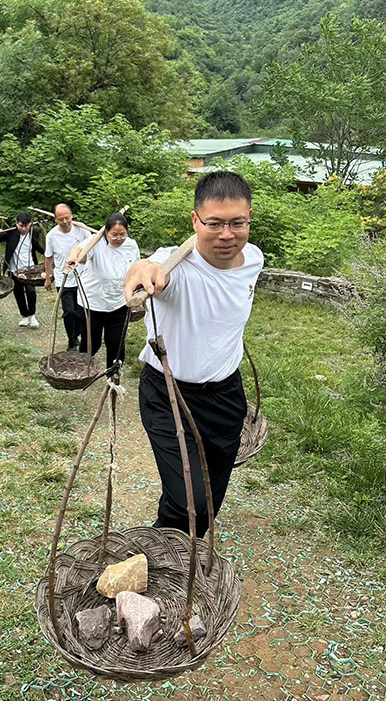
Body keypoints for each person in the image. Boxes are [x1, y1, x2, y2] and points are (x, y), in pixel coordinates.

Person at [124, 171, 263, 538]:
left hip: (227, 395)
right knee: (191, 499)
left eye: (238, 223)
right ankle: (165, 550)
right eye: (214, 223)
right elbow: (148, 267)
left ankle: (181, 551)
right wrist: (141, 274)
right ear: (195, 220)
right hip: (169, 395)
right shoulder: (175, 268)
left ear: (250, 219)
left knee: (212, 496)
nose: (227, 235)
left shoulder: (254, 259)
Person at [66, 212, 140, 369]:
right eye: (114, 235)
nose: (118, 239)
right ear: (106, 232)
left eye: (122, 234)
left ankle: (113, 375)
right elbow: (79, 252)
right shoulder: (95, 242)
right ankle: (83, 370)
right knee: (91, 343)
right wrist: (74, 257)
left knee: (116, 343)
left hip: (118, 302)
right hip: (92, 303)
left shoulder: (131, 245)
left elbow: (136, 267)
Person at [44, 203, 90, 351]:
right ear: (55, 220)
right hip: (63, 278)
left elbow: (92, 248)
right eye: (61, 219)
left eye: (67, 218)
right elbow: (49, 257)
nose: (65, 222)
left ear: (71, 216)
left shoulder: (82, 230)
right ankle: (72, 340)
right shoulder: (51, 235)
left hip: (82, 278)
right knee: (69, 312)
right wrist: (47, 277)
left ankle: (80, 336)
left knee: (81, 312)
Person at [0, 212, 44, 328]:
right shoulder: (11, 232)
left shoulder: (34, 232)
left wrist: (47, 254)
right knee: (18, 292)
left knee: (30, 291)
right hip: (14, 268)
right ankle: (24, 315)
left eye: (26, 226)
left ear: (30, 224)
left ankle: (32, 315)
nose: (23, 229)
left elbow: (36, 246)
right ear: (16, 224)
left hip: (30, 269)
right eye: (20, 226)